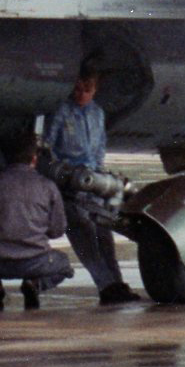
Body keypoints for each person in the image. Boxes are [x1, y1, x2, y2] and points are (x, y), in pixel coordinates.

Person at [43, 66, 140, 305]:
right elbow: (48, 147)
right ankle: (106, 286)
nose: (81, 94)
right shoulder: (61, 112)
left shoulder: (98, 114)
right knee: (84, 234)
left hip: (93, 182)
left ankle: (117, 283)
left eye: (87, 90)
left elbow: (99, 150)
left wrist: (99, 178)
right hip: (69, 182)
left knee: (104, 235)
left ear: (95, 90)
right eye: (77, 89)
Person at [0, 133, 74, 310]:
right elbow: (57, 230)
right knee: (65, 265)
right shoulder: (48, 186)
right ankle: (34, 285)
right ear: (34, 158)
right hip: (35, 262)